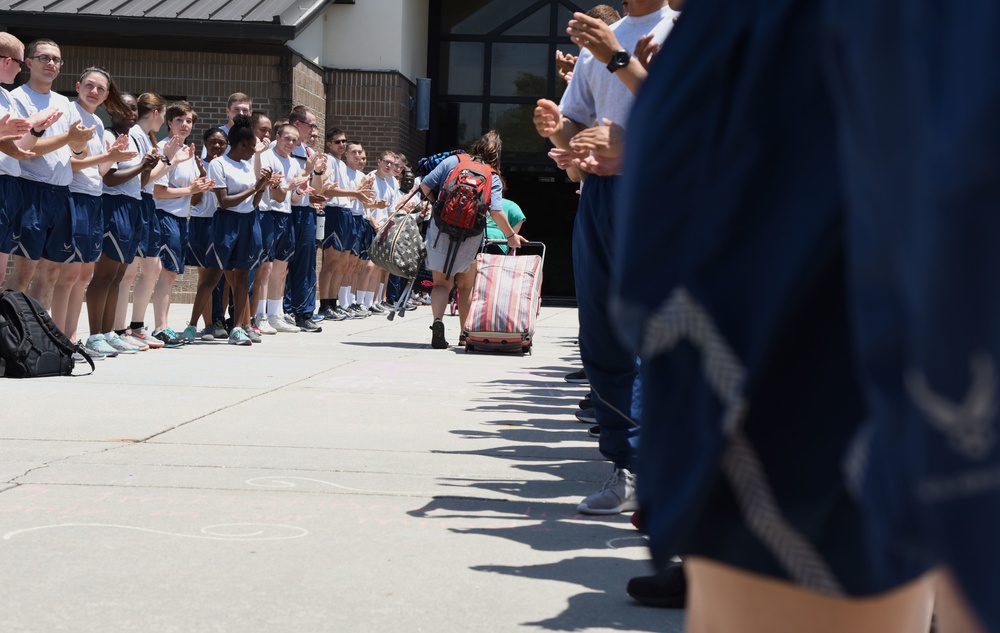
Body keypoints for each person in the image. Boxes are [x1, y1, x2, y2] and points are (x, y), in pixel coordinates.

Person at [533, 0, 676, 515]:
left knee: (657, 335)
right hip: (599, 199)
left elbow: (692, 120)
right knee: (602, 335)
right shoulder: (603, 39)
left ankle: (669, 471)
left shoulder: (681, 28)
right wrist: (558, 129)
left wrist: (627, 141)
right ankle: (627, 466)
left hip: (660, 193)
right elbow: (579, 135)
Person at [6, 39, 95, 312]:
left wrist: (79, 142)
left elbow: (76, 151)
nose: (51, 64)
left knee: (51, 272)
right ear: (29, 63)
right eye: (44, 58)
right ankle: (9, 333)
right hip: (30, 190)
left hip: (61, 194)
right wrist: (70, 138)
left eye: (56, 59)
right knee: (25, 270)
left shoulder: (65, 103)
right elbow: (26, 148)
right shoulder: (16, 98)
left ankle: (37, 337)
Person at [419, 130, 526, 349]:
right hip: (471, 234)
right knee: (466, 287)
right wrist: (511, 236)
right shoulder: (491, 175)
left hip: (440, 228)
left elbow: (424, 186)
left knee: (441, 284)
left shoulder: (453, 161)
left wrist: (438, 206)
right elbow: (496, 210)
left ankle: (438, 321)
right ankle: (464, 334)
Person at [63, 67, 136, 352]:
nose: (94, 92)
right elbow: (70, 161)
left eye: (100, 89)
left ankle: (72, 337)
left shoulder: (96, 122)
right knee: (66, 275)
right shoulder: (69, 113)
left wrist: (112, 156)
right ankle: (62, 339)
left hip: (93, 199)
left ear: (106, 96)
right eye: (89, 86)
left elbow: (99, 170)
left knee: (83, 275)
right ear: (78, 85)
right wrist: (109, 155)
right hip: (74, 197)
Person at [117, 92, 193, 349]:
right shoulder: (140, 137)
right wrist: (171, 160)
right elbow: (146, 180)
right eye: (177, 119)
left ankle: (136, 327)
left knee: (152, 269)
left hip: (146, 206)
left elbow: (150, 177)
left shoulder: (148, 138)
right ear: (160, 115)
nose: (184, 124)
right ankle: (118, 330)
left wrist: (172, 160)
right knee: (128, 271)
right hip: (138, 204)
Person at [151, 101, 214, 343]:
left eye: (188, 121)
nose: (185, 125)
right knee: (164, 273)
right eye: (180, 120)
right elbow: (157, 190)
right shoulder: (163, 148)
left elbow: (192, 194)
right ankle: (159, 326)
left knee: (171, 275)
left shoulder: (188, 153)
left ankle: (162, 325)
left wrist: (199, 187)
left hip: (181, 219)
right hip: (163, 216)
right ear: (169, 122)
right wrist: (189, 189)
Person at [206, 114, 271, 346]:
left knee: (243, 276)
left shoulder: (246, 166)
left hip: (248, 221)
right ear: (242, 144)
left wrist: (261, 188)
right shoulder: (218, 164)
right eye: (252, 145)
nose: (254, 150)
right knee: (215, 276)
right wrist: (255, 187)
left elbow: (252, 203)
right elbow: (224, 201)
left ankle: (238, 327)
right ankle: (205, 323)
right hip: (226, 223)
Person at [257, 120, 310, 333]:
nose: (290, 143)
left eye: (294, 140)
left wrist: (298, 191)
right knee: (265, 268)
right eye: (287, 138)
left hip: (286, 216)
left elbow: (292, 200)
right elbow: (274, 194)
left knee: (281, 269)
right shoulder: (267, 157)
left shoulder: (294, 163)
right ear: (277, 137)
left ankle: (275, 314)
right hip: (268, 214)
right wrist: (288, 187)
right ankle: (259, 314)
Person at [282, 104, 325, 331]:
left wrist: (316, 172)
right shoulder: (280, 148)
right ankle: (282, 309)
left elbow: (315, 188)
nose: (313, 130)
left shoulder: (309, 152)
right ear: (298, 124)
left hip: (306, 211)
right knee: (282, 263)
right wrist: (308, 171)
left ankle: (304, 312)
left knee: (306, 262)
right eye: (312, 125)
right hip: (286, 210)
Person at [185, 127, 228, 341]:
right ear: (205, 143)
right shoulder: (196, 165)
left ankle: (220, 319)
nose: (217, 146)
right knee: (205, 277)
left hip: (223, 222)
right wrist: (201, 180)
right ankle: (208, 324)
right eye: (213, 141)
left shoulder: (228, 166)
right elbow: (192, 202)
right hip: (202, 223)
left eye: (221, 142)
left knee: (226, 275)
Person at [0, 33, 35, 290]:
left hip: (11, 184)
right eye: (21, 63)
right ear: (6, 61)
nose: (21, 69)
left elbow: (18, 144)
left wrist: (37, 130)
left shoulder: (7, 96)